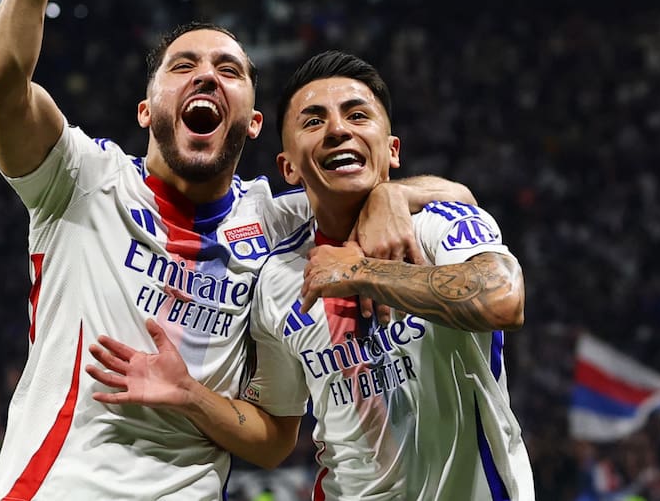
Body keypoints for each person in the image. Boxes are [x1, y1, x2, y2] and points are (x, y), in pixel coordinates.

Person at [0, 0, 474, 500]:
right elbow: (1, 87)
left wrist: (388, 194)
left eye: (229, 71)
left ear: (255, 123)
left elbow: (456, 197)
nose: (207, 76)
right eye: (183, 66)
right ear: (146, 110)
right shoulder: (81, 181)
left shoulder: (275, 223)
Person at [88, 51, 535, 499]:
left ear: (392, 150)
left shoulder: (441, 224)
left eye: (357, 115)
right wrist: (190, 393)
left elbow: (503, 300)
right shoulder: (277, 277)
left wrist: (362, 270)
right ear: (289, 168)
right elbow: (273, 438)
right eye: (314, 121)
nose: (338, 130)